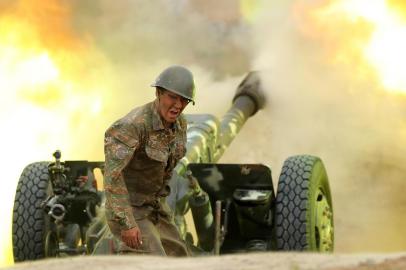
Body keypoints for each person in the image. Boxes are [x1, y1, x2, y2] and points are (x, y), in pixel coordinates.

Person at [103, 65, 195, 256]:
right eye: (173, 97)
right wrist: (127, 224)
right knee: (154, 262)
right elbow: (113, 177)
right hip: (129, 210)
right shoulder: (133, 126)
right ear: (158, 93)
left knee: (180, 257)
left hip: (154, 208)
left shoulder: (180, 124)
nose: (178, 105)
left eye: (184, 100)